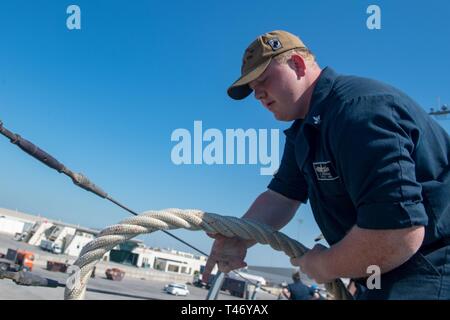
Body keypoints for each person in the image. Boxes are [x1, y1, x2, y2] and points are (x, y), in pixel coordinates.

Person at [203, 30, 450, 300]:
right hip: (382, 275)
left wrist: (325, 265)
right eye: (252, 89)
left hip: (430, 271)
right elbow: (281, 198)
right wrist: (238, 238)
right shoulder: (304, 131)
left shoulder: (358, 112)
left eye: (263, 79)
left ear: (297, 64)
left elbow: (398, 233)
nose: (258, 94)